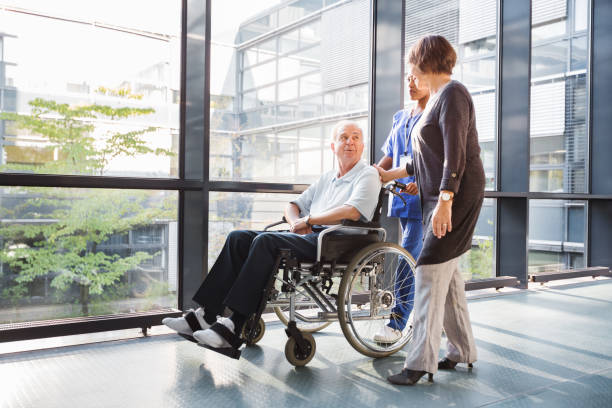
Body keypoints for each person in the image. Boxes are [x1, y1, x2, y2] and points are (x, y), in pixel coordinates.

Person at [163, 121, 381, 358]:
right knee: (239, 238)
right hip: (310, 234)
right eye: (344, 137)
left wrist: (308, 220)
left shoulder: (368, 174)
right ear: (333, 145)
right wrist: (295, 223)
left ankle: (234, 326)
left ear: (362, 145)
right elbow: (292, 205)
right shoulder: (328, 177)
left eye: (356, 137)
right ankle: (205, 316)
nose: (350, 141)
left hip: (337, 241)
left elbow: (352, 211)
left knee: (266, 242)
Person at [376, 35, 485, 385]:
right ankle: (462, 350)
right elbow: (428, 156)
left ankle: (420, 362)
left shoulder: (453, 94)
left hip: (454, 199)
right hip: (437, 198)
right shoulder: (438, 98)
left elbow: (455, 154)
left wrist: (445, 201)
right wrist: (390, 174)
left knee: (426, 275)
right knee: (447, 279)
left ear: (424, 61)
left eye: (412, 64)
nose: (411, 71)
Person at [371, 73, 429, 343]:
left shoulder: (434, 116)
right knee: (423, 262)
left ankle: (396, 323)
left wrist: (421, 179)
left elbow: (434, 159)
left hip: (424, 199)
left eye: (417, 78)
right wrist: (374, 172)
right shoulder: (400, 117)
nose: (410, 83)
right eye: (408, 78)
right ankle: (432, 317)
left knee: (407, 256)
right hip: (401, 197)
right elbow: (391, 155)